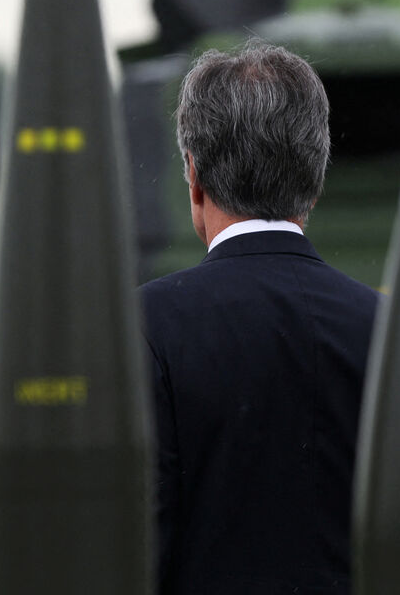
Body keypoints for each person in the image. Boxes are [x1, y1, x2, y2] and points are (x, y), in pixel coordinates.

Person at [140, 42, 380, 594]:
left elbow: (135, 538)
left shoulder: (144, 326)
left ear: (194, 174)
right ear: (315, 176)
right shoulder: (389, 328)